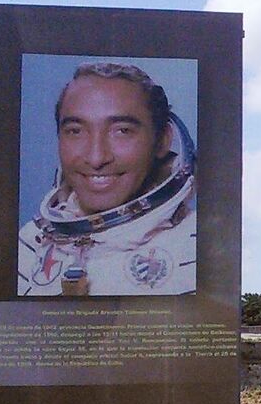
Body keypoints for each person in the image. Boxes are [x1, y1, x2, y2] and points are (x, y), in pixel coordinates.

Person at [17, 62, 196, 295]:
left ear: (162, 140)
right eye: (76, 131)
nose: (96, 157)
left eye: (122, 130)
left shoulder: (195, 249)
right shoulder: (30, 244)